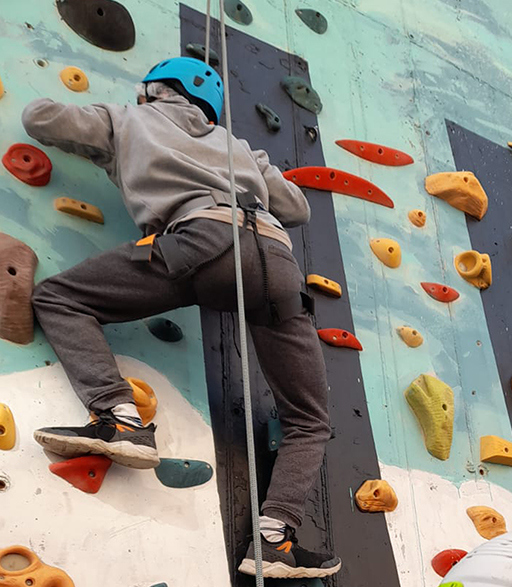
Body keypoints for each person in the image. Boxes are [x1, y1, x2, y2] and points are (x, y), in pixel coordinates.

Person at [22, 56, 341, 579]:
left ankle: (121, 420)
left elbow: (40, 117)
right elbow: (297, 208)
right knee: (309, 419)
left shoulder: (129, 117)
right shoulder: (238, 147)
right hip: (278, 263)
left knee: (60, 297)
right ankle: (276, 539)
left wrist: (115, 134)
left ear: (152, 89)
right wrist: (254, 165)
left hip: (201, 242)